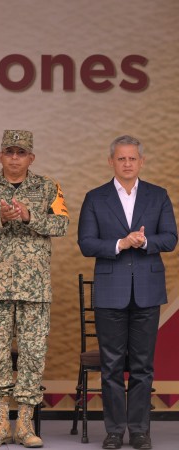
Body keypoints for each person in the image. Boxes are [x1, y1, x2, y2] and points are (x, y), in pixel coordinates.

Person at [0, 130, 69, 448]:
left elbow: (62, 224)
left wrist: (29, 215)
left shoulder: (48, 187)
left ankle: (24, 424)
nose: (14, 157)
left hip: (34, 287)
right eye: (9, 152)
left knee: (33, 355)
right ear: (0, 156)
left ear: (31, 158)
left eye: (21, 153)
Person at [77, 135, 177, 450]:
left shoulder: (158, 195)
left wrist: (144, 241)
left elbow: (170, 238)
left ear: (141, 162)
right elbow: (86, 243)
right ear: (111, 162)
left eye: (132, 158)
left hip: (148, 291)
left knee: (143, 367)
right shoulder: (95, 198)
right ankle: (114, 432)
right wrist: (121, 243)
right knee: (111, 367)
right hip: (110, 293)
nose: (127, 163)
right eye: (121, 158)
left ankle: (139, 432)